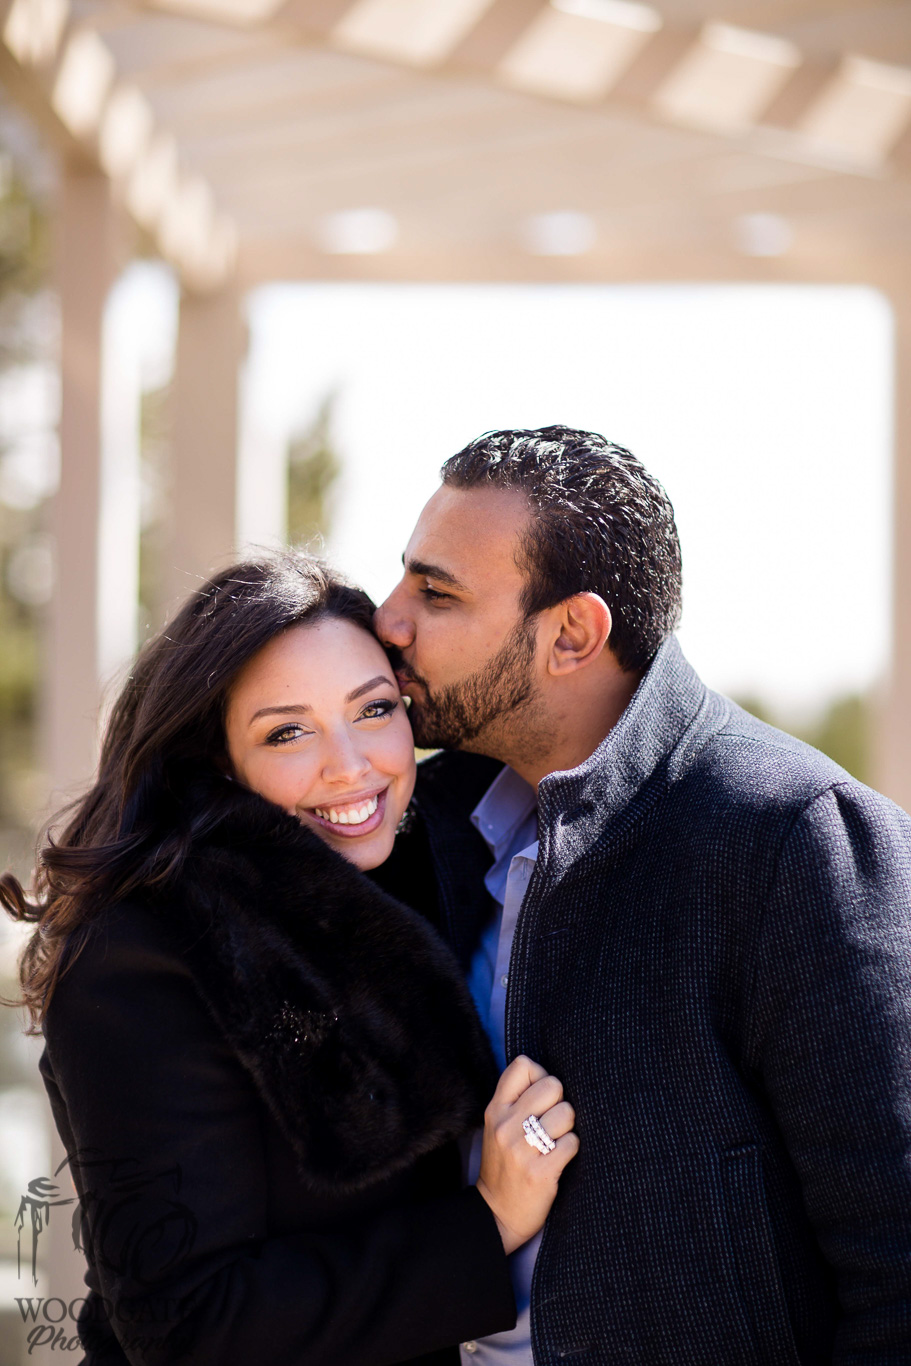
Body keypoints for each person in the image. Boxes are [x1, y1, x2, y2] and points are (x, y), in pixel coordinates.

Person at [374, 424, 911, 1366]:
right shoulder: (417, 831)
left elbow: (897, 1267)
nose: (388, 620)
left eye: (436, 592)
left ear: (571, 634)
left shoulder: (793, 839)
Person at [0, 553, 580, 1366]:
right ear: (214, 761)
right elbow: (186, 1322)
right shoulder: (137, 952)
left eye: (374, 710)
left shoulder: (410, 865)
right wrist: (487, 1224)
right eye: (287, 731)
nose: (351, 766)